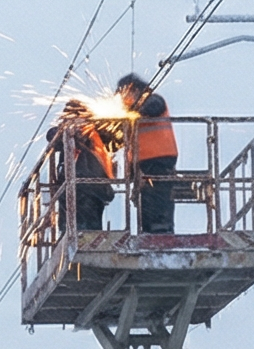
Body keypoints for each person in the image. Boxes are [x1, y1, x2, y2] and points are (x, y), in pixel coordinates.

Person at [116, 74, 179, 234]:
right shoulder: (131, 117)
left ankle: (162, 231)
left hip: (160, 158)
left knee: (158, 196)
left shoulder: (154, 100)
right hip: (143, 164)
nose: (123, 100)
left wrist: (134, 108)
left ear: (134, 89)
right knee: (146, 200)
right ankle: (149, 232)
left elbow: (152, 108)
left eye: (124, 95)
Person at [48, 99, 116, 233]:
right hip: (77, 188)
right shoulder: (65, 134)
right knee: (72, 226)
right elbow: (52, 135)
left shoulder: (94, 131)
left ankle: (80, 237)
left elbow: (112, 137)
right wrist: (67, 131)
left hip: (89, 188)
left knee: (87, 228)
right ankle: (70, 237)